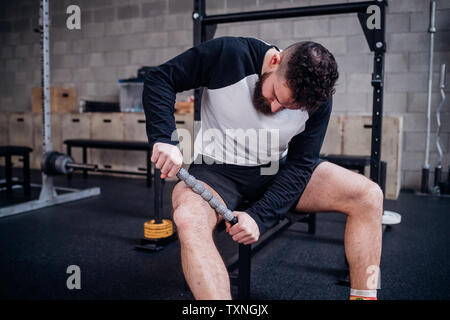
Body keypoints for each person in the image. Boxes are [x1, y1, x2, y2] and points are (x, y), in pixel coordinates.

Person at [143, 36, 382, 300]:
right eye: (276, 95)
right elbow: (160, 79)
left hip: (276, 172)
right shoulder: (229, 54)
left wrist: (259, 216)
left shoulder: (318, 101)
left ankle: (365, 296)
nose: (274, 108)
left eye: (288, 107)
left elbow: (301, 164)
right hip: (217, 172)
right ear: (275, 61)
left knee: (369, 196)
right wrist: (164, 138)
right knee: (189, 219)